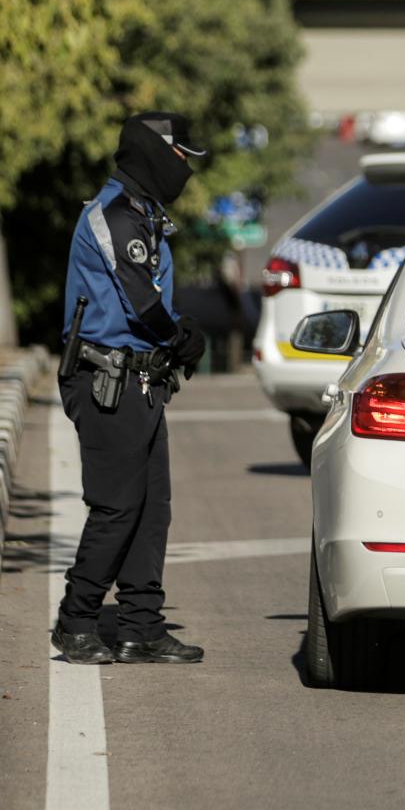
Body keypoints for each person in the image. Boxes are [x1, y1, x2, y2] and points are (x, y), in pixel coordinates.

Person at [49, 112, 209, 666]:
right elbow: (142, 302)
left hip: (140, 380)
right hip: (105, 381)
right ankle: (75, 623)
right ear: (154, 153)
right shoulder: (114, 215)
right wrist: (181, 336)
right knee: (116, 508)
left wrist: (175, 340)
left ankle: (141, 627)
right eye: (181, 155)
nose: (185, 167)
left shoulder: (144, 213)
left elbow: (150, 298)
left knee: (151, 509)